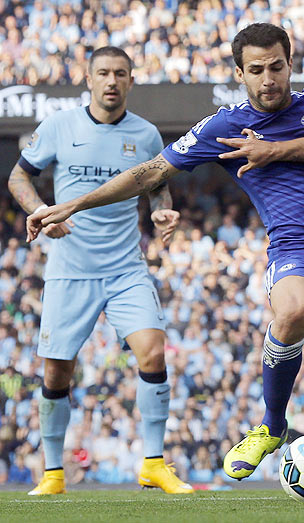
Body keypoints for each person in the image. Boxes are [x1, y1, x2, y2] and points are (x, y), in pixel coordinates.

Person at [25, 25, 304, 499]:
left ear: (290, 64)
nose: (268, 78)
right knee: (291, 311)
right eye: (256, 70)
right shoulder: (224, 127)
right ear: (239, 73)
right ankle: (271, 426)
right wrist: (73, 204)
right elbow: (151, 171)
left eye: (276, 66)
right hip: (298, 253)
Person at [8, 47, 191, 495]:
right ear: (87, 79)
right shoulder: (58, 126)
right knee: (56, 375)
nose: (112, 81)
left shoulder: (147, 135)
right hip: (71, 269)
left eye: (121, 74)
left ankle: (153, 464)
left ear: (130, 81)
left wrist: (162, 211)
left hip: (126, 267)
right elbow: (18, 178)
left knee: (152, 352)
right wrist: (42, 211)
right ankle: (52, 474)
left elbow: (157, 188)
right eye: (103, 73)